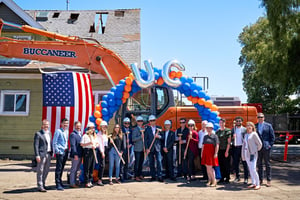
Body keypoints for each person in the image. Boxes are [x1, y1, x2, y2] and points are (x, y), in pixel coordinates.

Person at [256, 113, 275, 187]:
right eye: (259, 117)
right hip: (258, 148)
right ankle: (260, 179)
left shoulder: (268, 125)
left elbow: (272, 137)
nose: (260, 118)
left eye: (261, 117)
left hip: (266, 147)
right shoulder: (255, 126)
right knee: (259, 164)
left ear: (264, 118)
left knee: (267, 164)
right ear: (257, 118)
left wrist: (269, 145)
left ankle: (268, 180)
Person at [242, 122, 263, 190]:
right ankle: (253, 182)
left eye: (250, 126)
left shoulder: (254, 134)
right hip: (246, 152)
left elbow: (260, 144)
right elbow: (244, 145)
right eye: (247, 126)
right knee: (250, 169)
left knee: (253, 169)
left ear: (252, 127)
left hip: (252, 154)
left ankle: (258, 183)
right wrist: (243, 154)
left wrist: (255, 150)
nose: (248, 127)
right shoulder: (246, 135)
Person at [34, 119, 52, 192]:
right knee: (40, 170)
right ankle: (40, 185)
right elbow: (36, 145)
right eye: (45, 125)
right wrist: (37, 155)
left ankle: (43, 183)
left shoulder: (49, 133)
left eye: (47, 125)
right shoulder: (38, 134)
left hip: (48, 154)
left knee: (46, 170)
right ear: (42, 126)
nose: (46, 126)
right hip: (41, 154)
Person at [144, 115, 163, 182]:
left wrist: (158, 136)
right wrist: (146, 148)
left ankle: (160, 176)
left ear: (155, 121)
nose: (152, 122)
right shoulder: (147, 129)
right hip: (150, 148)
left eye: (153, 120)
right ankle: (153, 176)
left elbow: (162, 137)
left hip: (157, 147)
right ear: (149, 122)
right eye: (151, 121)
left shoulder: (159, 128)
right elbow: (145, 140)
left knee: (159, 161)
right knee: (151, 162)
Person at [52, 118, 69, 190]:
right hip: (60, 152)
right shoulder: (58, 131)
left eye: (67, 123)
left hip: (65, 151)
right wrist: (57, 151)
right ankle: (57, 183)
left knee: (62, 167)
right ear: (61, 124)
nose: (66, 125)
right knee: (58, 168)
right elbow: (54, 142)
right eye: (64, 123)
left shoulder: (66, 131)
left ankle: (60, 182)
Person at [80, 122, 98, 188]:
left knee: (91, 167)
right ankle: (86, 181)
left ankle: (90, 180)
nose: (92, 129)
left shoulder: (94, 136)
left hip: (93, 151)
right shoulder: (85, 136)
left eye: (93, 128)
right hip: (87, 151)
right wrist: (88, 143)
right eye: (91, 128)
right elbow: (81, 144)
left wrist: (95, 145)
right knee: (87, 167)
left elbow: (97, 143)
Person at [201, 122, 219, 187]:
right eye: (207, 128)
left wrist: (216, 153)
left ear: (212, 129)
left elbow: (217, 145)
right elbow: (203, 145)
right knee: (207, 168)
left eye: (210, 128)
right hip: (205, 153)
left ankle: (214, 181)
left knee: (210, 168)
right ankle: (209, 180)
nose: (208, 129)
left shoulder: (215, 136)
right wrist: (202, 154)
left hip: (211, 153)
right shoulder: (205, 137)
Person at [232, 116, 249, 184]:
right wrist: (233, 138)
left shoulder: (244, 129)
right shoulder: (233, 129)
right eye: (237, 121)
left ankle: (246, 178)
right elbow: (231, 139)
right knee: (236, 163)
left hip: (242, 147)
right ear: (235, 122)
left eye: (239, 121)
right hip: (235, 147)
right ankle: (237, 177)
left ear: (242, 122)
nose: (238, 122)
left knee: (245, 163)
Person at [216, 118, 231, 184]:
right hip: (219, 150)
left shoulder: (227, 131)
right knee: (221, 164)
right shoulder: (218, 131)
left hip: (226, 149)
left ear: (224, 123)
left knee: (226, 164)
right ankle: (222, 177)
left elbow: (229, 142)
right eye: (220, 123)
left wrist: (227, 151)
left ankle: (227, 177)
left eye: (222, 123)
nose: (221, 124)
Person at [184, 119, 199, 184]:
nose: (190, 127)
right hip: (189, 149)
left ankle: (191, 175)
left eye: (192, 125)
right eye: (189, 125)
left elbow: (197, 141)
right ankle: (190, 175)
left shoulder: (195, 133)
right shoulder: (188, 133)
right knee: (189, 162)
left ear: (194, 126)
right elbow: (187, 142)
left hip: (193, 150)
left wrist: (192, 138)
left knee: (191, 163)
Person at [69, 121, 83, 188]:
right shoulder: (73, 134)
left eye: (79, 126)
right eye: (77, 126)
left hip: (80, 154)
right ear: (74, 126)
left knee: (77, 169)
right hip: (76, 155)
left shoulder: (80, 134)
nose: (78, 127)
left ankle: (75, 181)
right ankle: (72, 183)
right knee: (73, 169)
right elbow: (73, 145)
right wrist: (75, 154)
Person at [132, 116, 145, 181]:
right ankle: (136, 175)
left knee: (141, 163)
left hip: (142, 149)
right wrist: (140, 137)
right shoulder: (135, 129)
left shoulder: (143, 129)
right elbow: (133, 139)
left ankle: (140, 174)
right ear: (137, 122)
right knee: (137, 163)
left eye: (141, 121)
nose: (140, 122)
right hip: (137, 149)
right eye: (139, 121)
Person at [96, 120, 109, 186]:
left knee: (104, 165)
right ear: (100, 127)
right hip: (102, 150)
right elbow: (100, 144)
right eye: (103, 127)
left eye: (105, 127)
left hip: (106, 149)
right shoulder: (99, 134)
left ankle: (101, 178)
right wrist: (102, 152)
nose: (104, 128)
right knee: (102, 165)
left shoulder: (105, 134)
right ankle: (99, 180)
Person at [121, 117, 133, 182]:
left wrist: (130, 144)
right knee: (122, 163)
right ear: (123, 123)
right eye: (126, 123)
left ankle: (126, 175)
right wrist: (125, 144)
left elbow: (132, 139)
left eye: (128, 123)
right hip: (124, 148)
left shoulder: (131, 130)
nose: (127, 124)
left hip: (129, 148)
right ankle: (121, 176)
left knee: (127, 162)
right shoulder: (121, 130)